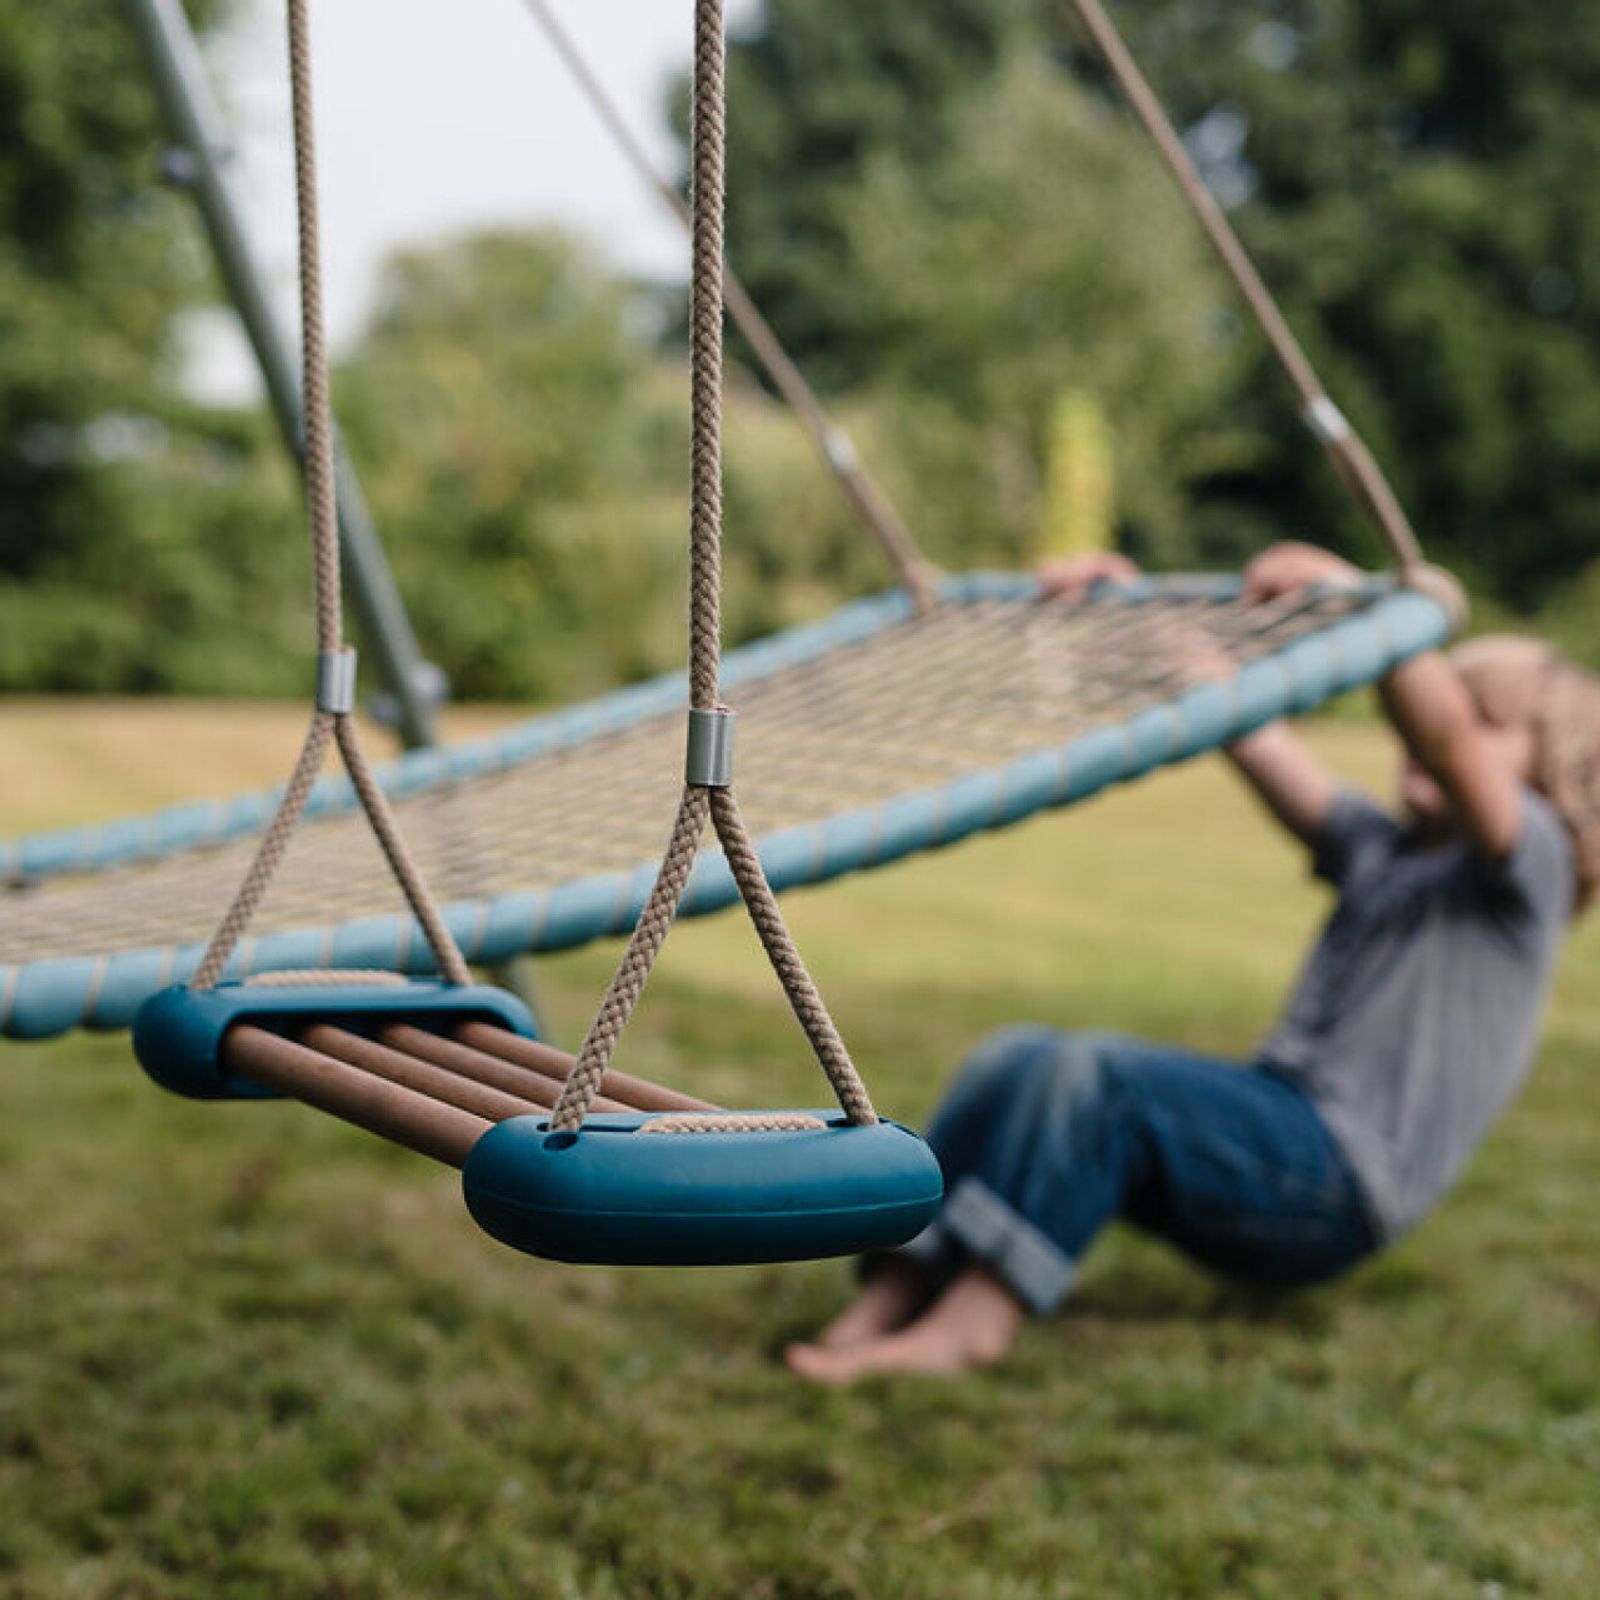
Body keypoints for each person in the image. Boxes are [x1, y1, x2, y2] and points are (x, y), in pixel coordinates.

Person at [787, 541, 1600, 1383]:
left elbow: (1444, 738)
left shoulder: (1530, 869)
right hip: (1280, 1123)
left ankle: (973, 1324)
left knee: (1098, 1082)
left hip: (1338, 1187)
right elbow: (1236, 710)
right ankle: (898, 1283)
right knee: (1018, 1058)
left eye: (1488, 718)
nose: (1437, 727)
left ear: (1554, 778)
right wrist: (1131, 607)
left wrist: (1362, 608)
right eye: (1458, 700)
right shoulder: (1381, 850)